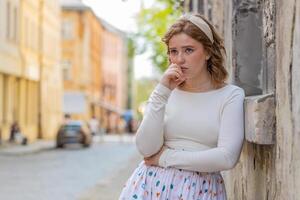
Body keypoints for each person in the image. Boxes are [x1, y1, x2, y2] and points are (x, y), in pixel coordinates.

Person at [119, 13, 245, 200]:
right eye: (173, 51)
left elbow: (227, 157)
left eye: (188, 50)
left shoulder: (230, 95)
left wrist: (165, 158)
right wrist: (161, 91)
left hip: (200, 190)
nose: (179, 59)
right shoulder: (165, 93)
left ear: (208, 52)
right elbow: (146, 148)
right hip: (150, 187)